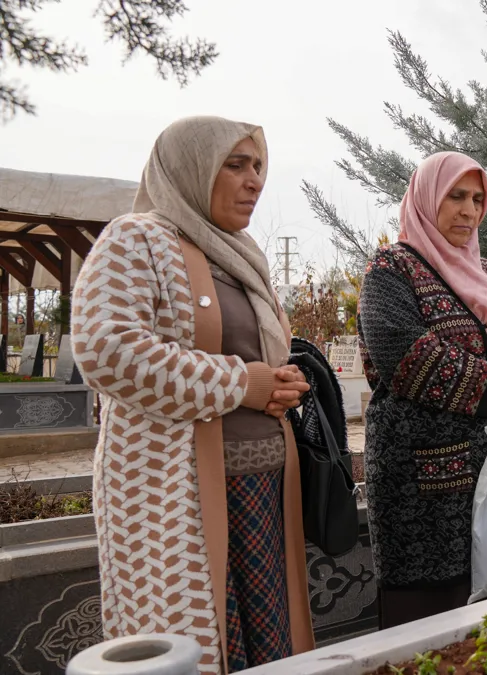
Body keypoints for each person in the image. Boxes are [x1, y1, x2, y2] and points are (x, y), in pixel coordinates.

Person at [71, 117, 314, 672]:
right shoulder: (136, 239)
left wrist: (280, 384)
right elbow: (106, 350)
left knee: (269, 647)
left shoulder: (242, 254)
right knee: (203, 647)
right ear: (189, 169)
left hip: (261, 495)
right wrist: (241, 384)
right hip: (178, 499)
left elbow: (259, 360)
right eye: (235, 165)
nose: (255, 180)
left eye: (259, 166)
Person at [357, 151, 487, 629]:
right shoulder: (392, 268)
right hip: (423, 489)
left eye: (477, 199)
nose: (469, 211)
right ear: (426, 199)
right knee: (432, 632)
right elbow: (406, 356)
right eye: (456, 197)